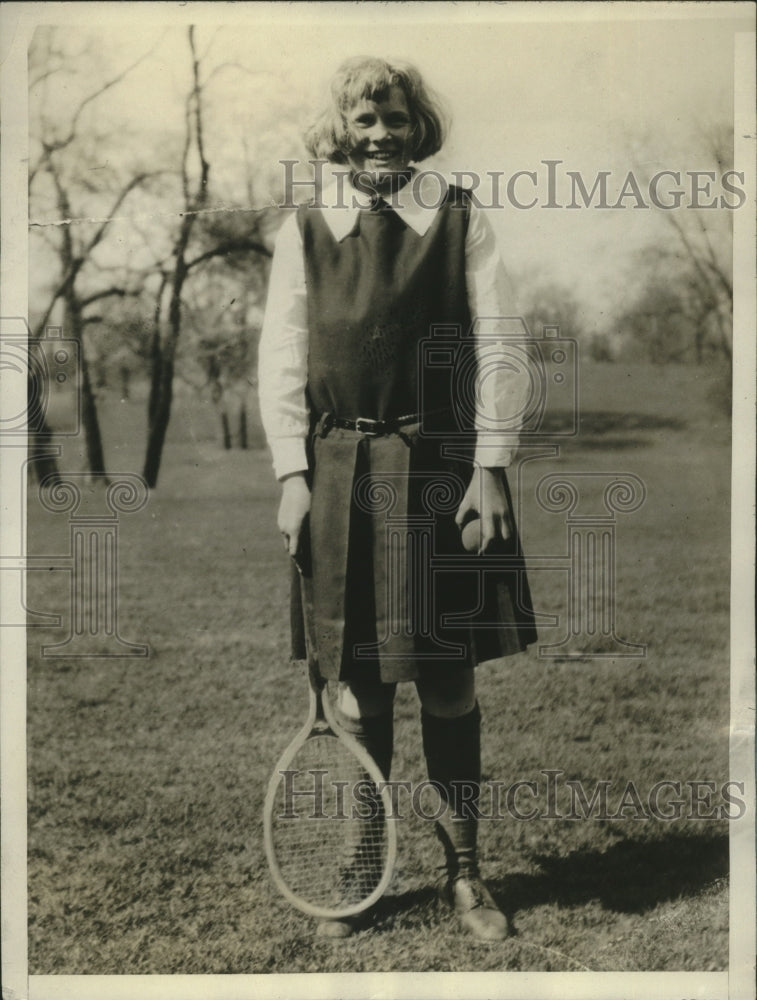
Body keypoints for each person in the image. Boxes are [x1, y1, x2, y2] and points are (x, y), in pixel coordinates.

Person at [259, 55, 537, 941]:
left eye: (395, 120)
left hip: (441, 476)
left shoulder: (459, 216)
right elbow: (281, 360)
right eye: (363, 121)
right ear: (340, 131)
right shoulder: (302, 226)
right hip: (337, 476)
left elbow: (499, 343)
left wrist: (488, 468)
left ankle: (466, 874)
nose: (380, 135)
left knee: (447, 683)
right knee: (361, 694)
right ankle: (365, 867)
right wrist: (292, 478)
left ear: (418, 127)